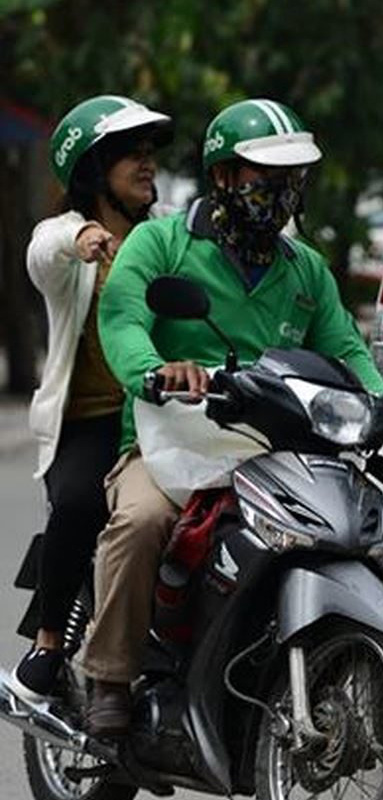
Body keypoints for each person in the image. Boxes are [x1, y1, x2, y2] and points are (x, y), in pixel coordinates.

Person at [82, 98, 383, 734]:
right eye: (267, 177)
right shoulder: (160, 244)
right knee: (143, 521)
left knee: (340, 527)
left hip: (268, 449)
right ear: (225, 177)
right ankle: (111, 675)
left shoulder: (304, 270)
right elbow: (123, 320)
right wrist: (156, 371)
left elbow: (345, 348)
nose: (281, 192)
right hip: (167, 444)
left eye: (291, 180)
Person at [10, 96, 173, 702]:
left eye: (150, 153)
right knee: (79, 502)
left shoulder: (165, 236)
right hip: (90, 423)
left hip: (163, 419)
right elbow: (42, 249)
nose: (147, 164)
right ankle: (50, 644)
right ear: (92, 168)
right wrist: (79, 236)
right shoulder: (71, 243)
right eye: (132, 153)